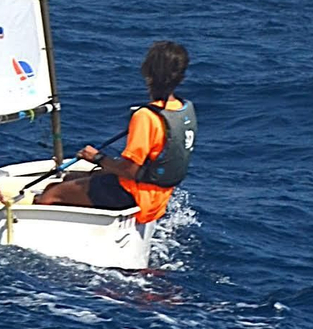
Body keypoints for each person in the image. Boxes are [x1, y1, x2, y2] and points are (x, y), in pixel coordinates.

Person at [35, 40, 195, 223]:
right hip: (158, 197)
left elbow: (130, 170)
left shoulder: (146, 116)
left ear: (147, 73)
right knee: (72, 178)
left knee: (52, 193)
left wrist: (96, 157)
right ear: (181, 76)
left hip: (135, 195)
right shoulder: (183, 109)